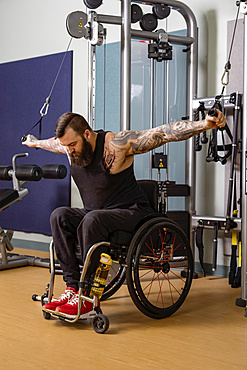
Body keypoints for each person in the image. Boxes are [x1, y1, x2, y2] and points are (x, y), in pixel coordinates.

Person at [22, 111, 226, 318]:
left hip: (132, 212)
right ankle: (73, 290)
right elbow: (53, 144)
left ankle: (88, 296)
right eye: (65, 145)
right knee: (59, 215)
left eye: (72, 144)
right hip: (98, 214)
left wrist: (204, 124)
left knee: (92, 219)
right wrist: (35, 142)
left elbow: (163, 133)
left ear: (86, 134)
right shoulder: (70, 147)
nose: (69, 150)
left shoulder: (116, 144)